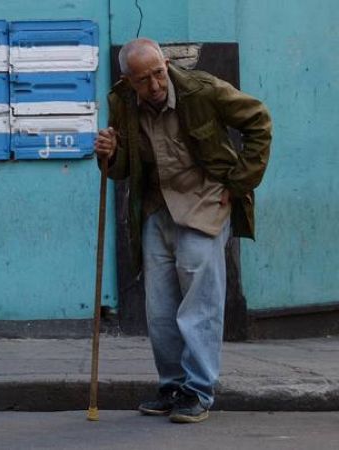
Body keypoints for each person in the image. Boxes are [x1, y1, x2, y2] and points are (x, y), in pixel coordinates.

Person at [95, 38, 272, 423]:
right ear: (129, 80)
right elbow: (122, 169)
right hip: (157, 208)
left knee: (199, 303)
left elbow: (259, 119)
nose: (155, 86)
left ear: (165, 64)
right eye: (144, 80)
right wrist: (106, 152)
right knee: (159, 308)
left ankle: (199, 389)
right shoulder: (122, 103)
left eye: (159, 74)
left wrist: (239, 183)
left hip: (205, 201)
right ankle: (172, 385)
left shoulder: (201, 89)